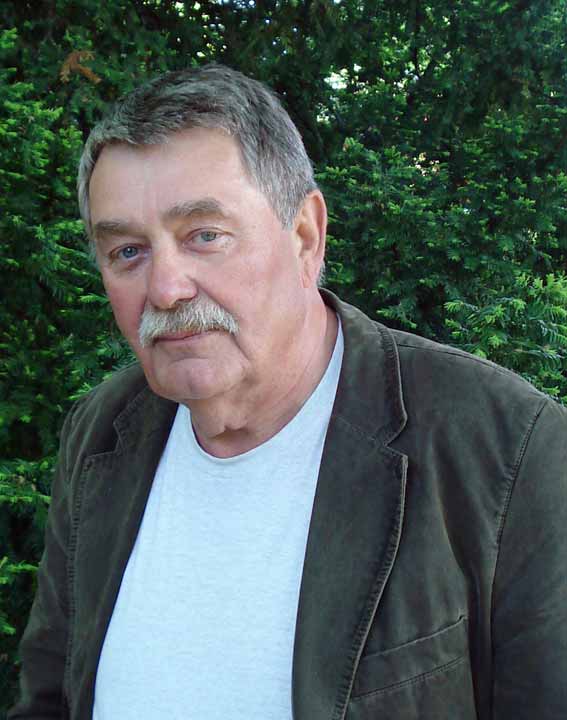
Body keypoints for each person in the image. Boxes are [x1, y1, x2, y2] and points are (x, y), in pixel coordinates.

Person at [9, 65, 567, 720]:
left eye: (205, 236)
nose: (165, 288)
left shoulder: (505, 447)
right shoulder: (99, 432)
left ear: (305, 236)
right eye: (128, 251)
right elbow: (48, 697)